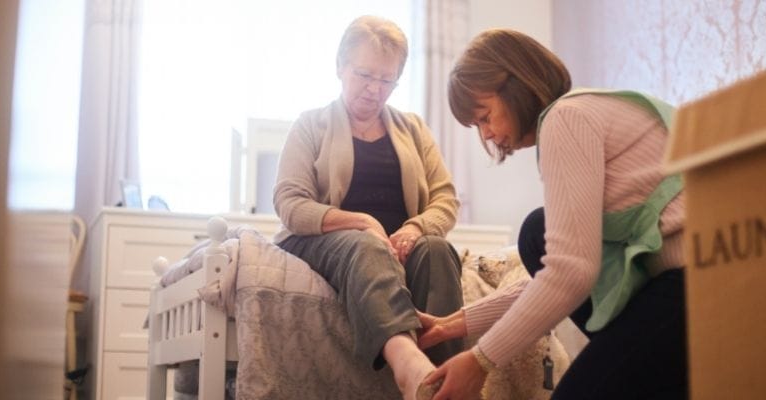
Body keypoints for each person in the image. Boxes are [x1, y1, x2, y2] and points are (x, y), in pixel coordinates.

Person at [416, 28, 687, 400]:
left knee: (536, 231)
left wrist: (480, 360)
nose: (488, 135)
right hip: (687, 280)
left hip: (695, 284)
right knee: (538, 232)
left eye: (484, 116)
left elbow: (570, 273)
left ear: (515, 84)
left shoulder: (566, 119)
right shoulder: (588, 109)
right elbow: (563, 275)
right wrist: (456, 324)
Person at [272, 15, 464, 400]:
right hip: (327, 241)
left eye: (386, 79)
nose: (375, 89)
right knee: (365, 243)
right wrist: (359, 222)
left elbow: (445, 199)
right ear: (340, 67)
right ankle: (409, 366)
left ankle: (446, 384)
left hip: (398, 244)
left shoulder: (414, 129)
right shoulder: (311, 125)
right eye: (364, 75)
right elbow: (290, 203)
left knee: (437, 249)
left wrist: (415, 229)